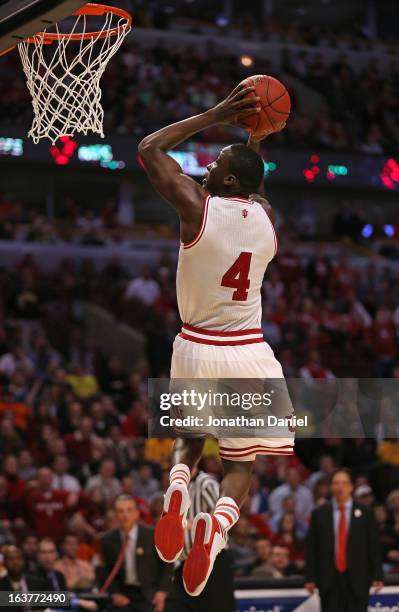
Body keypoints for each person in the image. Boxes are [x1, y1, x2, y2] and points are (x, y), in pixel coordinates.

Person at [139, 83, 294, 596]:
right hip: (249, 351)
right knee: (240, 466)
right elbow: (256, 186)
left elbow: (149, 150)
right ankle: (218, 525)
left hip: (195, 344)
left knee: (187, 441)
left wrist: (219, 113)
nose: (203, 169)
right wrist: (255, 137)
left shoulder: (195, 209)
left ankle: (178, 490)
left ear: (224, 178)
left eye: (214, 165)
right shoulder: (269, 223)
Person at [305, 468, 384, 611]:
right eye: (336, 483)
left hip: (358, 579)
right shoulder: (319, 514)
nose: (340, 487)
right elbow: (312, 548)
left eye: (344, 483)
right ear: (331, 487)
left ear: (351, 487)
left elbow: (373, 546)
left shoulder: (365, 513)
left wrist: (378, 574)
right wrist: (310, 577)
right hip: (329, 579)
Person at [165, 467, 235, 611]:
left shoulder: (206, 483)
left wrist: (186, 523)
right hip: (183, 562)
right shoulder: (175, 487)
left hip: (211, 562)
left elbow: (219, 519)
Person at [99, 495, 172, 611]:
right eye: (120, 511)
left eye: (129, 510)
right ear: (115, 515)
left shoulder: (153, 534)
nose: (125, 515)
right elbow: (106, 571)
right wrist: (114, 594)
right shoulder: (107, 540)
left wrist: (162, 592)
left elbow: (167, 565)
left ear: (136, 513)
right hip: (124, 595)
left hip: (150, 594)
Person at [36, 538, 97, 611]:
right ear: (37, 556)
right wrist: (78, 602)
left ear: (56, 555)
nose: (48, 557)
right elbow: (40, 598)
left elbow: (64, 598)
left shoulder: (59, 575)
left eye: (51, 552)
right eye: (43, 552)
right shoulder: (32, 577)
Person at [0, 545, 47, 612]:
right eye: (11, 559)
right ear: (4, 563)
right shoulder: (1, 587)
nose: (15, 562)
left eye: (18, 558)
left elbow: (48, 607)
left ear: (24, 561)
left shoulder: (38, 583)